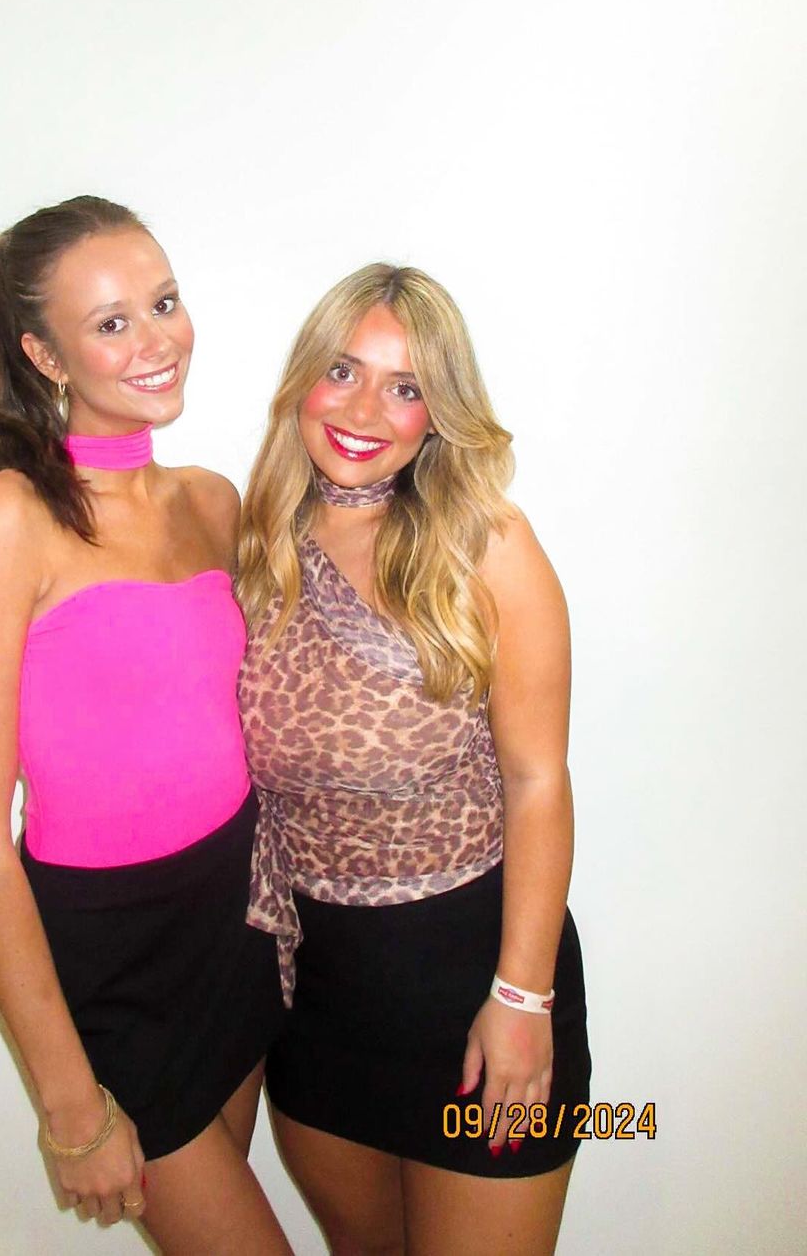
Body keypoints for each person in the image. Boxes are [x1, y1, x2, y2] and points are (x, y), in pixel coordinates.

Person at [0, 195, 289, 1253]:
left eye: (163, 303)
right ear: (45, 354)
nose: (157, 339)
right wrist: (69, 1105)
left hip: (237, 922)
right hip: (113, 956)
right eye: (112, 322)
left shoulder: (214, 501)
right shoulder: (5, 521)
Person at [237, 264, 591, 1255]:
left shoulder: (486, 545)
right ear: (304, 377)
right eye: (342, 370)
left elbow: (538, 781)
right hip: (318, 1005)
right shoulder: (259, 544)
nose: (363, 411)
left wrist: (522, 999)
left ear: (439, 412)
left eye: (404, 386)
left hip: (479, 990)